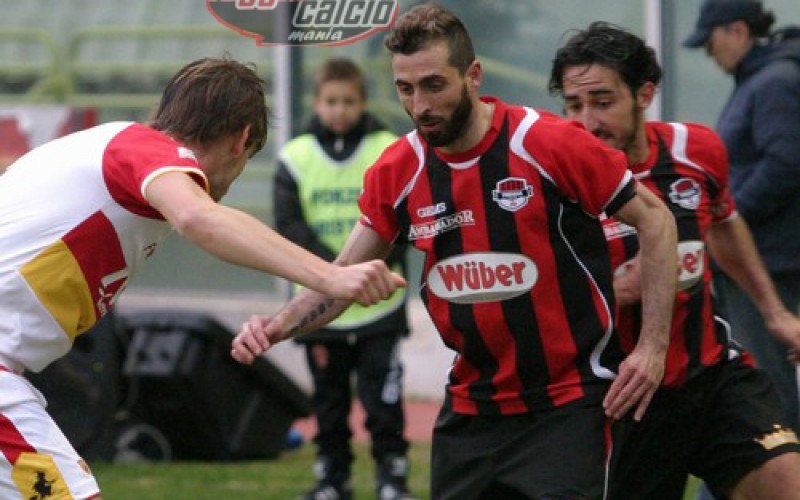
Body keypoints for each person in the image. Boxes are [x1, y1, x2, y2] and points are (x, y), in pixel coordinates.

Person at [233, 4, 680, 499]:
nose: (419, 104)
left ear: (473, 76)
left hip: (567, 405)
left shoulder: (546, 143)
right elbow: (341, 278)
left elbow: (656, 219)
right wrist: (275, 327)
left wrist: (652, 348)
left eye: (433, 85)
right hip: (472, 410)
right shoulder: (398, 170)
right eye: (405, 88)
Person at [0, 56, 405, 500]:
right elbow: (201, 219)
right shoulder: (144, 150)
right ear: (242, 140)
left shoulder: (106, 157)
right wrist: (331, 276)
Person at [549, 21, 800, 499]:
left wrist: (776, 315)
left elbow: (724, 223)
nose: (586, 121)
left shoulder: (696, 151)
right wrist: (609, 293)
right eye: (573, 104)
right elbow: (533, 301)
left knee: (787, 485)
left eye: (603, 102)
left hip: (711, 379)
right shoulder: (550, 181)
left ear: (644, 94)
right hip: (620, 404)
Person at [273, 57, 415, 500]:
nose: (339, 110)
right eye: (330, 101)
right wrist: (333, 273)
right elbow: (290, 227)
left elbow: (407, 217)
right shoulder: (295, 157)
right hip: (319, 311)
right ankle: (332, 480)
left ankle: (393, 480)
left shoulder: (390, 147)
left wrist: (368, 268)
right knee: (329, 404)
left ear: (362, 102)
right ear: (316, 102)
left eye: (348, 101)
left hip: (379, 305)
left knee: (383, 402)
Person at [684, 0, 800, 430]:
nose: (710, 54)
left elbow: (786, 162)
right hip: (765, 258)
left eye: (711, 41)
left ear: (736, 31)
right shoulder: (766, 79)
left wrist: (728, 218)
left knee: (765, 388)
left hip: (767, 263)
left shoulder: (773, 82)